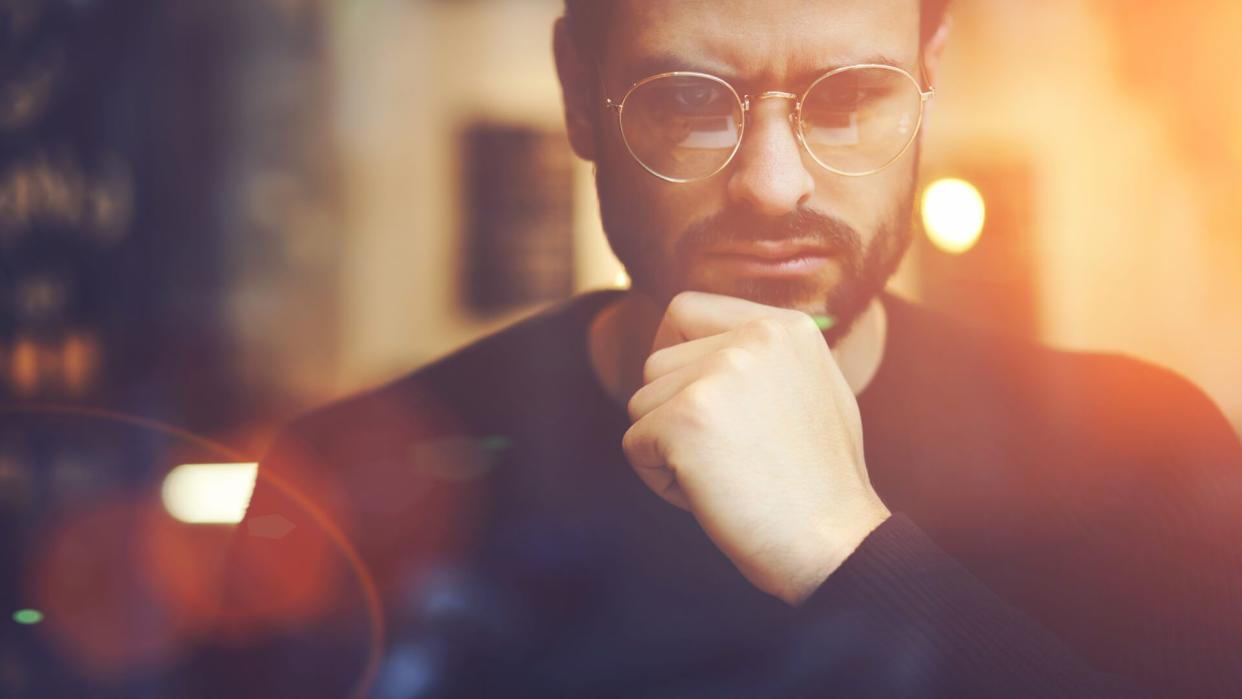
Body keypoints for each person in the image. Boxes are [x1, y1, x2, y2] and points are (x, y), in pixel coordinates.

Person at [196, 1, 1242, 697]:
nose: (774, 186)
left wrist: (848, 550)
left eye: (851, 98)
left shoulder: (1150, 452)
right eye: (689, 102)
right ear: (576, 91)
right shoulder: (339, 479)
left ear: (929, 78)